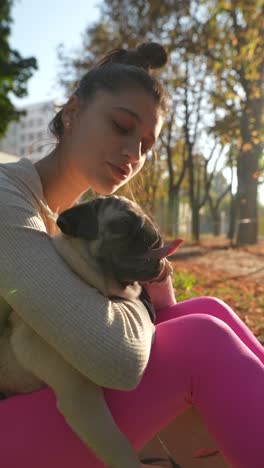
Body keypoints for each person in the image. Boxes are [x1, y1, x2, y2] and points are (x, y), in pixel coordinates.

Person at [0, 42, 263, 468]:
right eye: (121, 127)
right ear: (72, 112)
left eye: (146, 145)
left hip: (37, 400)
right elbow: (116, 362)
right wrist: (137, 293)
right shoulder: (7, 200)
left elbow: (162, 313)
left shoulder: (74, 220)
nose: (133, 155)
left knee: (209, 309)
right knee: (204, 343)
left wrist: (148, 276)